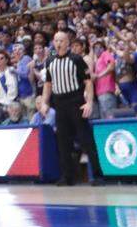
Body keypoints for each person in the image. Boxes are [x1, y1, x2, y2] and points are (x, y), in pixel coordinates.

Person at [43, 30, 104, 186]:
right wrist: (44, 102)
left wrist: (89, 102)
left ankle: (98, 176)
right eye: (56, 40)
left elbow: (88, 82)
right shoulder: (50, 61)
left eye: (61, 40)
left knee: (86, 140)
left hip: (76, 101)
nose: (58, 43)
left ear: (67, 43)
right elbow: (48, 84)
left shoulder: (76, 59)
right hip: (59, 104)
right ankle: (67, 176)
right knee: (63, 143)